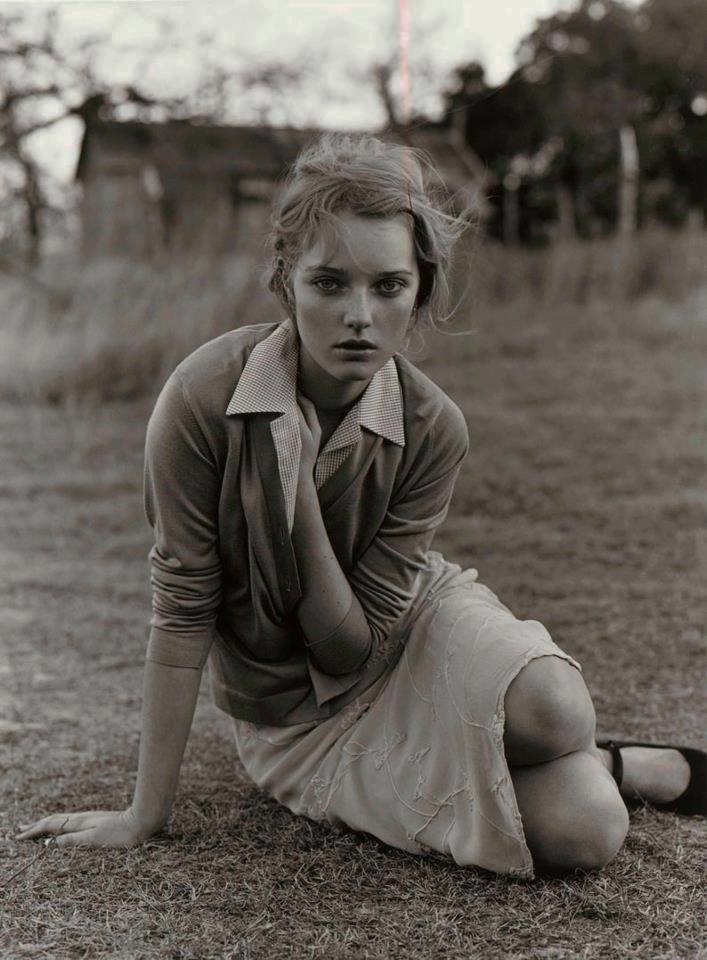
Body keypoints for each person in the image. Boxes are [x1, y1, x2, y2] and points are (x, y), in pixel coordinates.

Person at [17, 133, 704, 877]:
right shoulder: (200, 399)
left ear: (420, 291)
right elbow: (184, 609)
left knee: (557, 708)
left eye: (388, 286)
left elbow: (352, 649)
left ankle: (577, 749)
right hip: (294, 718)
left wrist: (300, 496)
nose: (358, 315)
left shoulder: (433, 426)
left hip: (404, 626)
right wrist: (143, 815)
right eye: (329, 283)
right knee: (587, 829)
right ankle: (612, 769)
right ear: (286, 280)